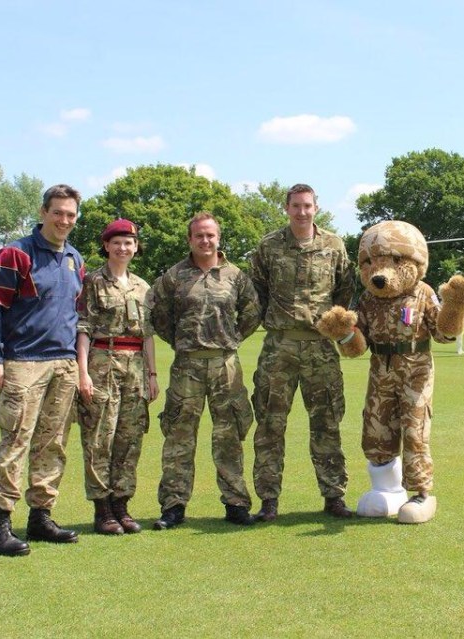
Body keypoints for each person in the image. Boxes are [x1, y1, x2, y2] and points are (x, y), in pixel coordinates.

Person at [0, 184, 85, 557]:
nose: (64, 220)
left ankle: (41, 517)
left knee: (53, 443)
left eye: (71, 214)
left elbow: (75, 312)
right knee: (15, 441)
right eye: (58, 212)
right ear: (43, 212)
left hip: (63, 363)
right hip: (23, 362)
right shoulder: (16, 254)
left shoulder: (74, 258)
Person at [249, 183, 356, 521]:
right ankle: (268, 500)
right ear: (287, 208)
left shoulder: (334, 245)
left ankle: (334, 496)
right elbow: (256, 293)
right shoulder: (268, 247)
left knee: (327, 423)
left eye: (307, 205)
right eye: (295, 206)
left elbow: (345, 290)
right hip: (279, 346)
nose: (302, 212)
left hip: (321, 346)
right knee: (269, 424)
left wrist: (336, 325)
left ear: (316, 208)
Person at [147, 213, 261, 528]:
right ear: (190, 240)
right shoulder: (174, 276)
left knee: (229, 436)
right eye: (199, 236)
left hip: (226, 365)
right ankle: (173, 506)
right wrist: (180, 340)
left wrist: (233, 337)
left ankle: (236, 503)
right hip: (187, 366)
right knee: (179, 437)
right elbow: (158, 312)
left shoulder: (235, 276)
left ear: (218, 238)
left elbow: (252, 311)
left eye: (210, 235)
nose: (205, 240)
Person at [75, 219, 159, 535]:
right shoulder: (92, 281)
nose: (123, 248)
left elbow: (148, 335)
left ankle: (122, 504)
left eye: (129, 243)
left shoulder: (142, 286)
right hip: (101, 360)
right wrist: (82, 373)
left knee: (130, 435)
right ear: (107, 246)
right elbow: (83, 328)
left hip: (135, 365)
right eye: (117, 242)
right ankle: (102, 508)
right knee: (100, 436)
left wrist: (152, 374)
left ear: (136, 247)